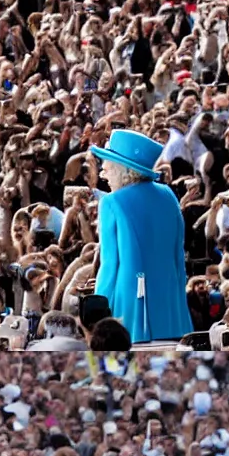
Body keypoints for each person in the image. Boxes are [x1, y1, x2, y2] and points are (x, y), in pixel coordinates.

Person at [90, 127, 190, 343]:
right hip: (171, 306)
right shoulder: (169, 195)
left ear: (122, 168)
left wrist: (98, 311)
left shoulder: (111, 202)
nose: (102, 171)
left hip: (131, 304)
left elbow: (109, 265)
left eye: (106, 163)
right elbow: (178, 257)